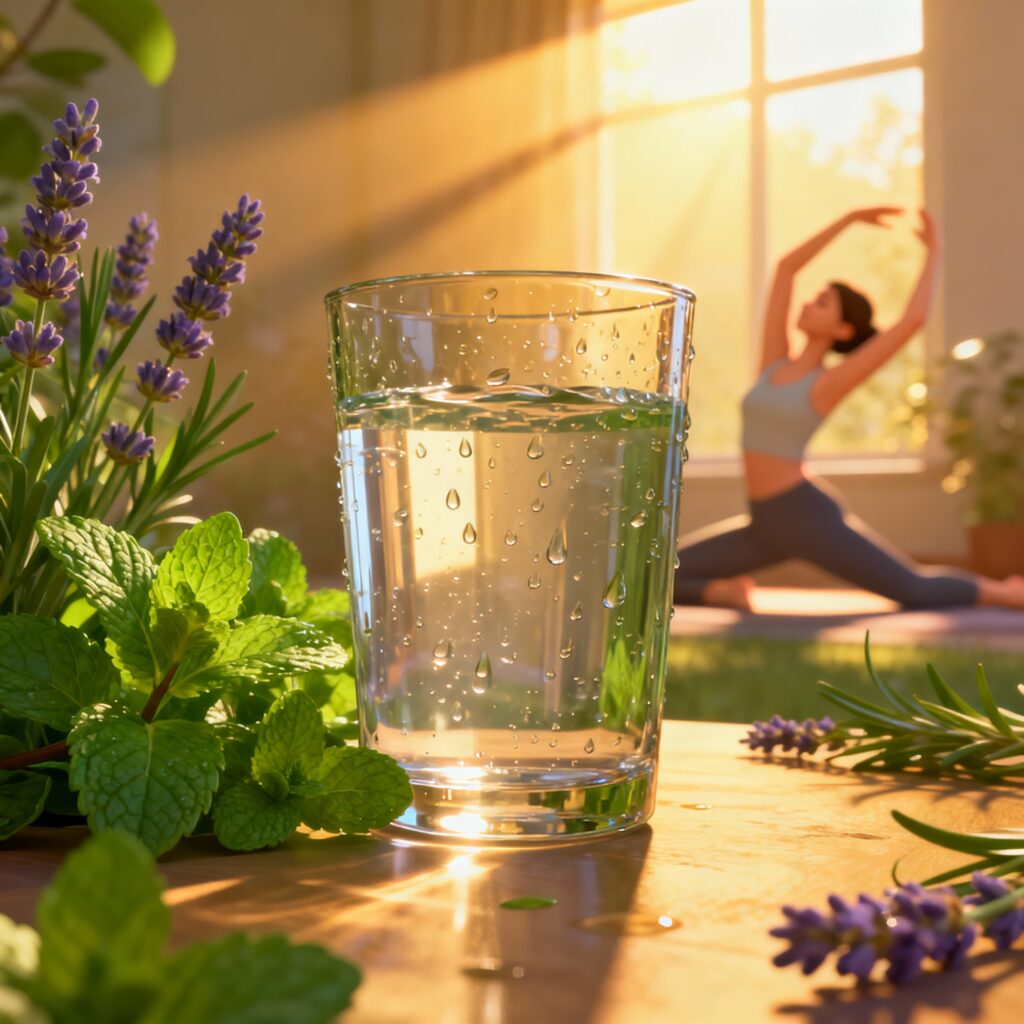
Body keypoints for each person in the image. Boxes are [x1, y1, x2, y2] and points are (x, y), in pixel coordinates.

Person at [673, 206, 1024, 610]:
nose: (810, 302)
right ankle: (723, 591)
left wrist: (935, 249)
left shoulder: (827, 384)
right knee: (665, 572)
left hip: (802, 517)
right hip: (766, 520)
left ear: (842, 331)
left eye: (824, 303)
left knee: (912, 591)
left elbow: (911, 322)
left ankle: (1004, 592)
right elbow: (786, 269)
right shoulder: (774, 364)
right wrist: (848, 220)